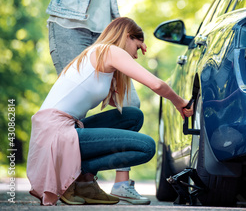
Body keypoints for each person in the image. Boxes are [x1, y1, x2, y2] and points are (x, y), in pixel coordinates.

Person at [14, 0, 148, 203]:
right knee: (78, 109)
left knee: (130, 104)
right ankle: (78, 179)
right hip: (68, 30)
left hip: (104, 39)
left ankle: (121, 182)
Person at [27, 17, 194, 206]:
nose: (137, 55)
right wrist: (180, 102)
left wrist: (119, 76)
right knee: (146, 147)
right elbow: (156, 84)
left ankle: (84, 183)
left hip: (62, 130)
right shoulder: (109, 50)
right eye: (138, 47)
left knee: (132, 116)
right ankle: (76, 173)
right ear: (127, 37)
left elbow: (118, 104)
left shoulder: (98, 56)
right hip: (56, 134)